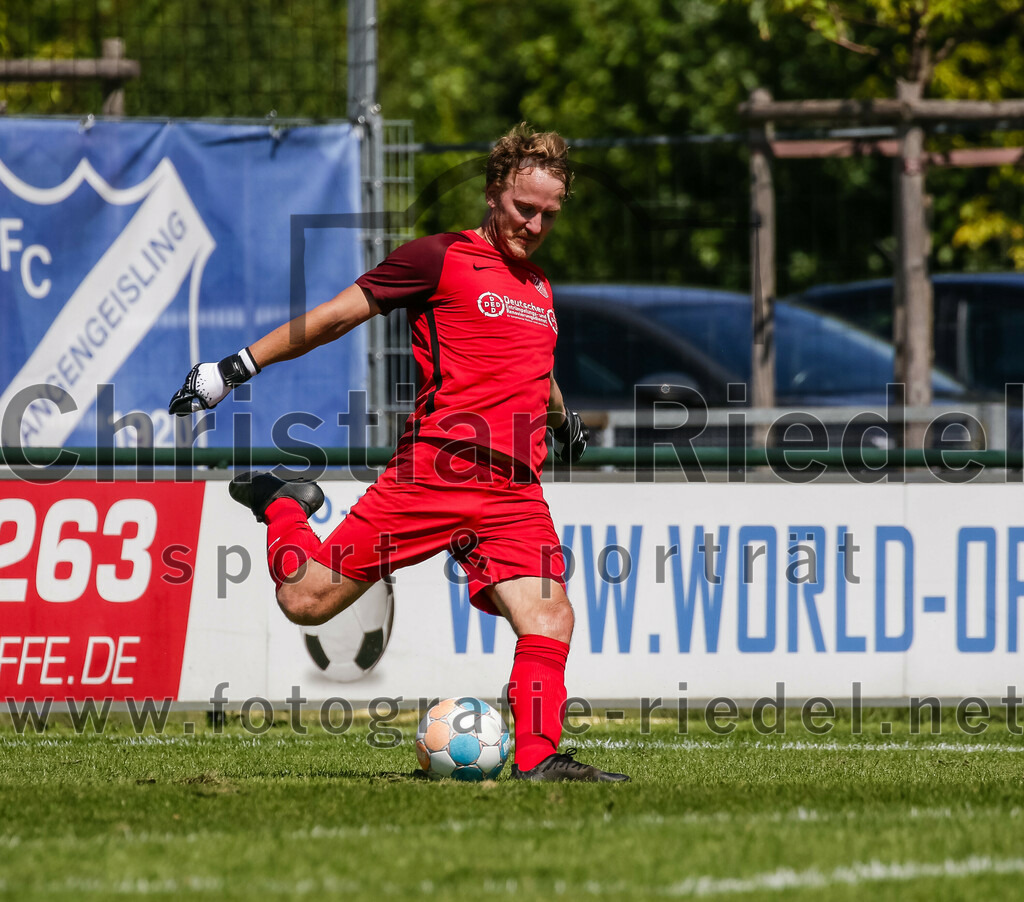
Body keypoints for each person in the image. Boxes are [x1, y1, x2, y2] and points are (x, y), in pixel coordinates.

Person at [169, 124, 629, 783]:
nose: (534, 224)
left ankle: (540, 759)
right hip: (436, 472)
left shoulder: (540, 290)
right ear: (495, 191)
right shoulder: (437, 258)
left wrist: (561, 419)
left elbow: (534, 365)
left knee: (551, 614)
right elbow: (332, 317)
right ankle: (282, 504)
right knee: (305, 601)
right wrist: (234, 368)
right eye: (524, 207)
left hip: (513, 492)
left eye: (548, 214)